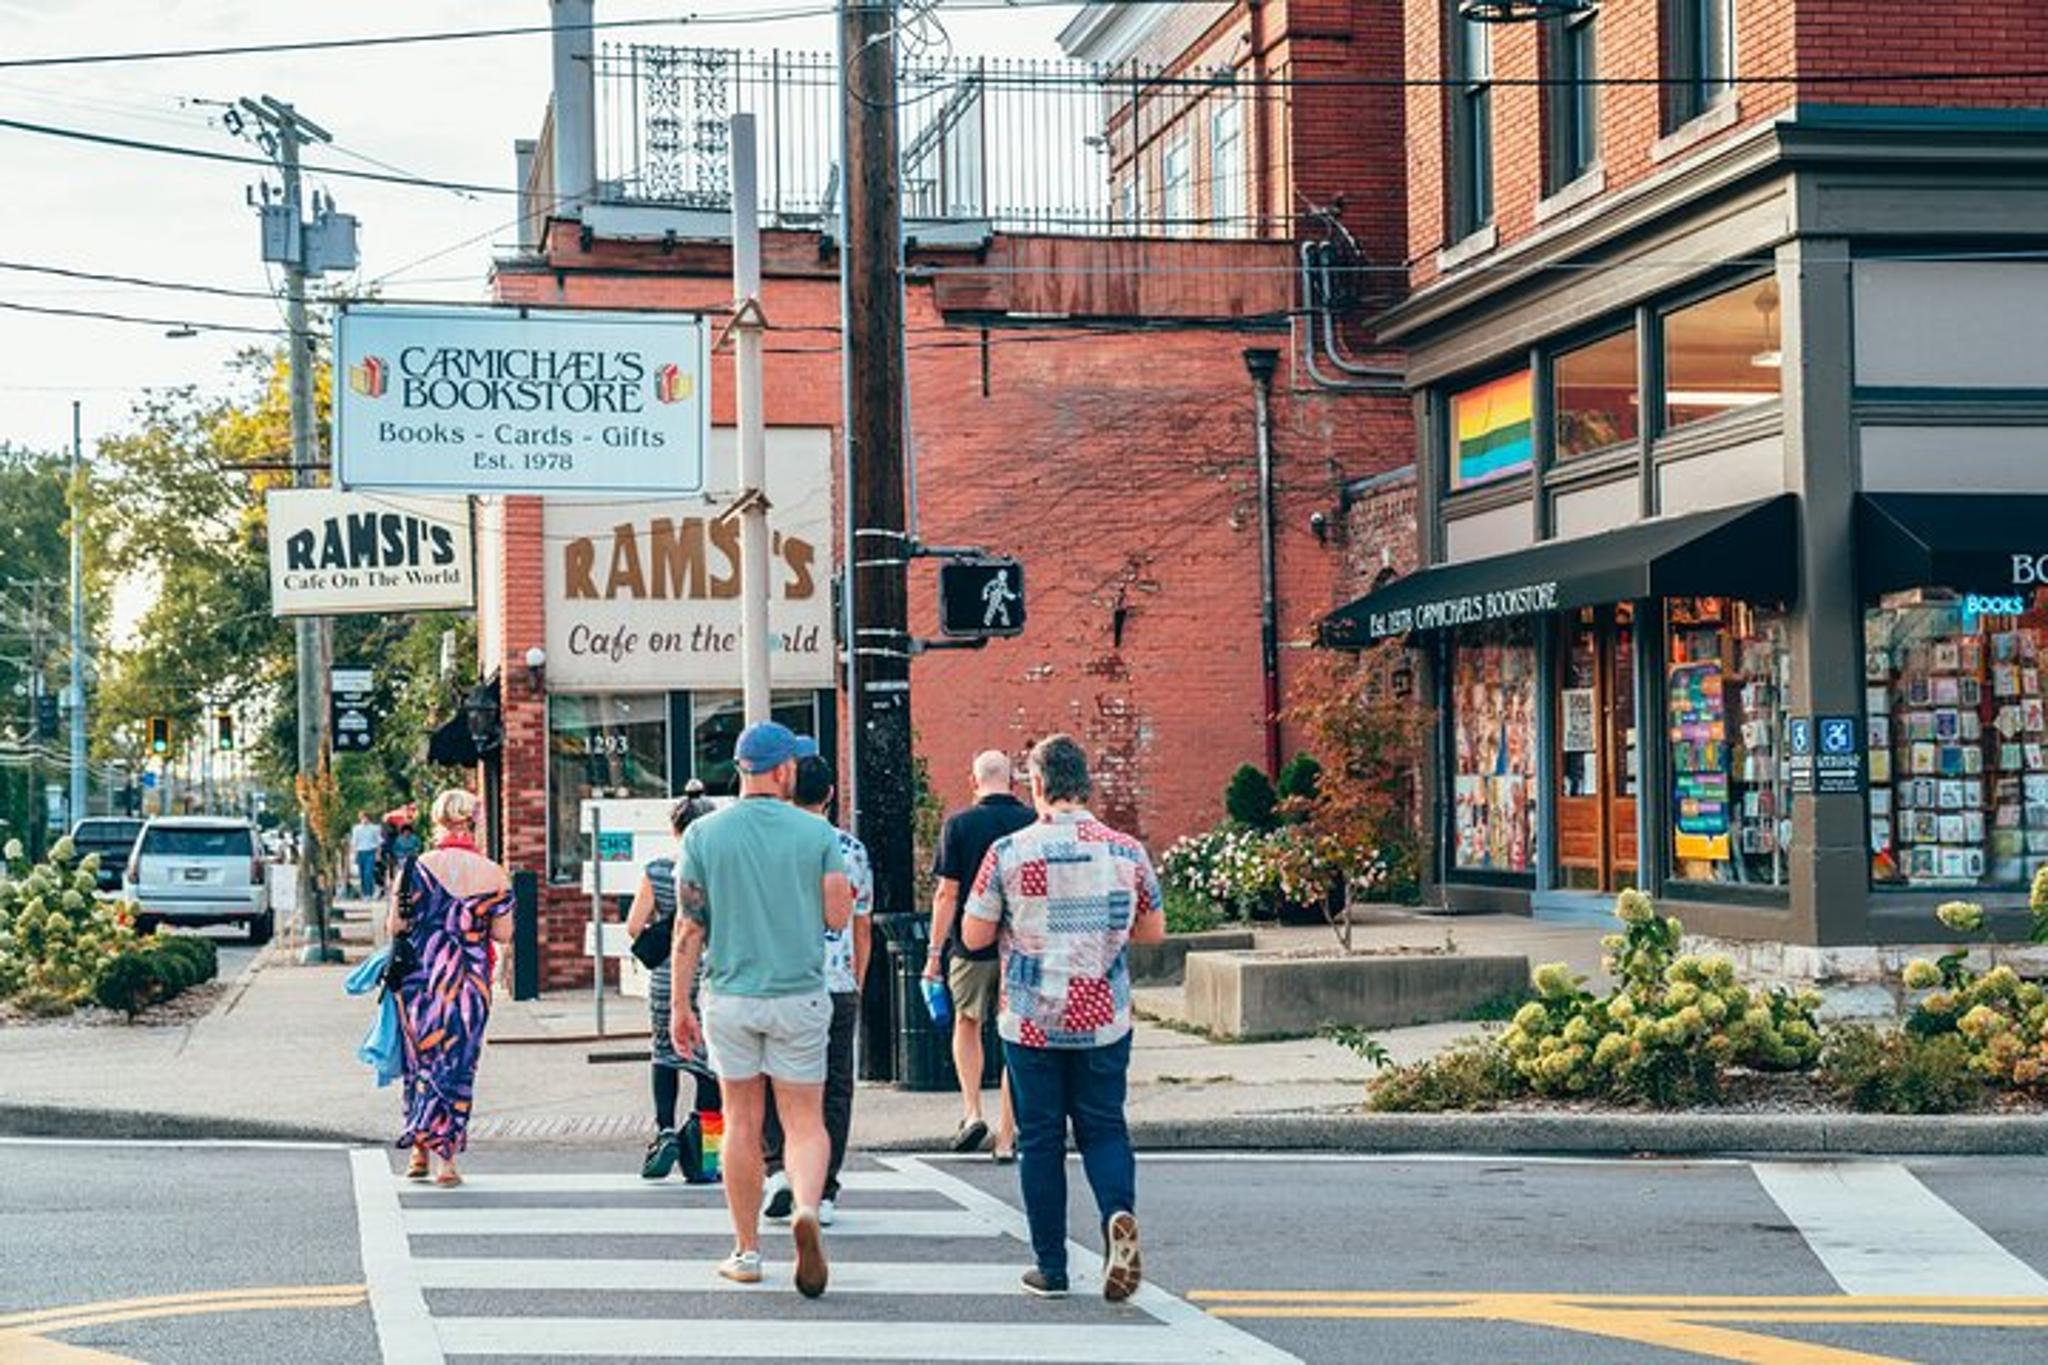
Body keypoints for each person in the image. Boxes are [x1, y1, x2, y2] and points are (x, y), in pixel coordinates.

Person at [962, 734, 1165, 1302]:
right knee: (1104, 1127)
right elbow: (1152, 931)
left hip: (1032, 1019)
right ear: (1087, 783)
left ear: (1038, 784)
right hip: (1104, 1016)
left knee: (1042, 1139)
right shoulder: (1126, 851)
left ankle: (1051, 1266)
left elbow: (974, 934)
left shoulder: (1009, 851)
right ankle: (1117, 1215)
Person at [670, 721, 852, 1298]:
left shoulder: (703, 835)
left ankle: (746, 1250)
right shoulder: (816, 832)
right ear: (785, 771)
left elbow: (688, 925)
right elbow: (837, 916)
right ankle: (804, 1206)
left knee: (741, 1121)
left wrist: (679, 1003)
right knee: (804, 1121)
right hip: (799, 993)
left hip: (730, 996)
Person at [762, 750, 872, 1226]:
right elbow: (861, 927)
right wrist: (857, 981)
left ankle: (777, 1171)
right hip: (836, 980)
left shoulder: (770, 846)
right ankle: (824, 1190)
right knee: (833, 1087)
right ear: (830, 794)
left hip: (780, 977)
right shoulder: (851, 850)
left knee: (770, 1076)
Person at [387, 788, 513, 1188]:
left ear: (437, 821)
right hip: (468, 985)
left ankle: (418, 1153)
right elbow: (504, 933)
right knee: (457, 1068)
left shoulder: (414, 867)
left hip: (420, 982)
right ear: (472, 822)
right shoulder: (494, 873)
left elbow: (395, 926)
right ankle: (447, 1162)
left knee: (420, 1065)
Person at [925, 749, 1035, 1159]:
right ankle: (1007, 1136)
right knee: (1014, 1037)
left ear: (973, 782)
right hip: (1020, 944)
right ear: (1014, 782)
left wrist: (934, 954)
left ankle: (972, 1112)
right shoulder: (1030, 823)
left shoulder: (959, 824)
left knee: (967, 1023)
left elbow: (946, 893)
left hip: (969, 945)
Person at [625, 792, 721, 1181]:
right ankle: (707, 1153)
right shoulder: (717, 872)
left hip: (666, 977)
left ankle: (665, 1130)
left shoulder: (659, 870)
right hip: (709, 975)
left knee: (664, 1053)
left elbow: (634, 926)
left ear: (675, 829)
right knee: (709, 1066)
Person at [349, 811, 382, 899]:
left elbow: (378, 842)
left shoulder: (374, 828)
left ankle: (369, 893)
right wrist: (353, 855)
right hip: (360, 852)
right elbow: (354, 842)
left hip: (371, 851)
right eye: (362, 818)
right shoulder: (356, 829)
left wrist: (378, 854)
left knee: (368, 873)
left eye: (366, 818)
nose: (364, 820)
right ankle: (364, 892)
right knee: (362, 874)